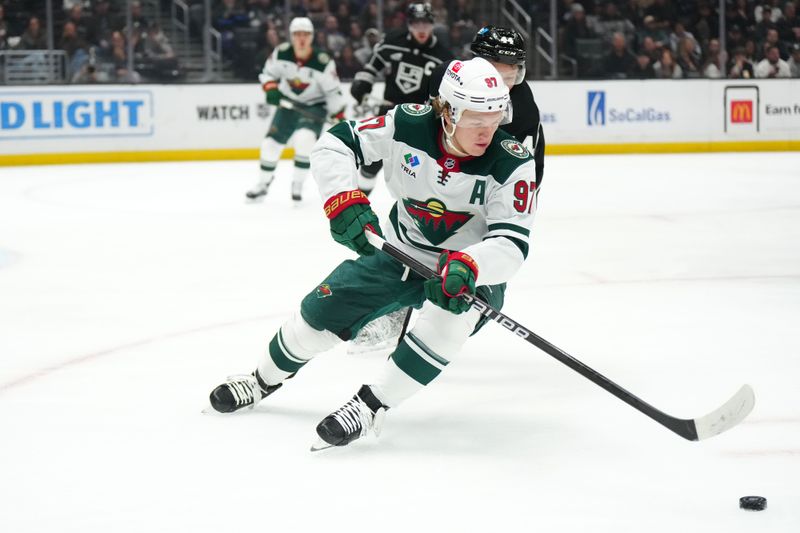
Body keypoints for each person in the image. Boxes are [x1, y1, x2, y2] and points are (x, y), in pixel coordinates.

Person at [208, 57, 539, 449]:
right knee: (321, 311)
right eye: (475, 120)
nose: (487, 131)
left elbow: (511, 243)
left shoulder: (513, 160)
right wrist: (341, 198)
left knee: (449, 323)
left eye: (494, 119)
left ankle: (370, 406)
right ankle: (261, 379)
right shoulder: (408, 123)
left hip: (466, 271)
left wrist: (471, 265)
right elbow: (335, 142)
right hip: (399, 251)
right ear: (447, 111)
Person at [349, 3, 453, 196]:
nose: (421, 29)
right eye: (416, 24)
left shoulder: (443, 56)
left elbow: (446, 92)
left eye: (425, 24)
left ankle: (415, 210)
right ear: (409, 24)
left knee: (416, 168)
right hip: (389, 112)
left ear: (432, 24)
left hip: (421, 118)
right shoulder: (393, 41)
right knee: (372, 163)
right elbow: (372, 66)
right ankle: (359, 200)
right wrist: (362, 83)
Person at [245, 17, 346, 202]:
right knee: (270, 145)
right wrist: (271, 88)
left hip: (314, 106)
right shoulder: (282, 53)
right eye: (297, 34)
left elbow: (333, 91)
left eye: (305, 34)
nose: (301, 39)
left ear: (312, 37)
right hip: (288, 103)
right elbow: (268, 74)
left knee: (304, 140)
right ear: (291, 36)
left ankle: (297, 184)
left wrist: (338, 113)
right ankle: (263, 184)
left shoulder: (322, 61)